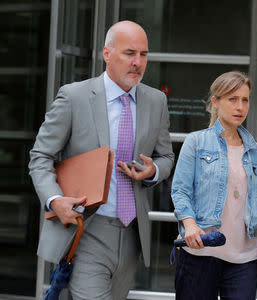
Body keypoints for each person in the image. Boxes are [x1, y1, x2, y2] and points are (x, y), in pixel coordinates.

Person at [29, 21, 174, 299]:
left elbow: (166, 156)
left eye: (143, 55)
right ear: (107, 54)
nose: (137, 62)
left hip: (132, 234)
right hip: (86, 230)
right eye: (129, 53)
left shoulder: (156, 101)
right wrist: (54, 200)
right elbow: (40, 156)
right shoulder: (74, 97)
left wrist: (154, 170)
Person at [171, 71, 257, 300]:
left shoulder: (254, 151)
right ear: (215, 101)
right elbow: (180, 190)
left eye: (245, 100)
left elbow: (256, 198)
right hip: (200, 253)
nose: (240, 106)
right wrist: (190, 225)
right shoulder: (196, 142)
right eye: (232, 99)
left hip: (244, 259)